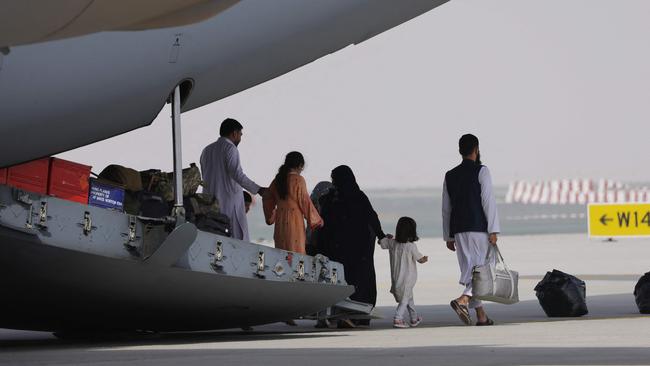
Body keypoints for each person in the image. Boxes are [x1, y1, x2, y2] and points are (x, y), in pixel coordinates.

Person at [442, 134, 500, 326]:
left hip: (459, 231)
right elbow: (488, 201)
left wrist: (448, 236)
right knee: (482, 271)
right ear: (476, 149)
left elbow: (446, 208)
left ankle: (481, 316)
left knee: (472, 272)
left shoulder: (450, 175)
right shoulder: (482, 171)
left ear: (460, 150)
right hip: (478, 229)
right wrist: (493, 229)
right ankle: (463, 300)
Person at [317, 165, 385, 328]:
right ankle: (357, 315)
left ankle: (341, 314)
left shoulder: (331, 199)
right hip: (358, 247)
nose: (333, 182)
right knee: (360, 280)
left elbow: (324, 224)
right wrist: (380, 235)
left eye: (334, 179)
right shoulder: (357, 196)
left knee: (342, 280)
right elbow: (371, 216)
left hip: (338, 248)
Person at [200, 118, 266, 242]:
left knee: (214, 238)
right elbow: (237, 174)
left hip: (209, 203)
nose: (240, 138)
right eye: (240, 134)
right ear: (234, 133)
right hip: (229, 203)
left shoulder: (206, 150)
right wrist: (258, 189)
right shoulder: (230, 148)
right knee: (235, 241)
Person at [263, 151, 323, 255]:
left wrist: (271, 216)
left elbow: (267, 197)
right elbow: (305, 202)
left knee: (281, 256)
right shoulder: (298, 180)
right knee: (296, 257)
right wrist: (317, 221)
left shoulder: (277, 179)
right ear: (300, 166)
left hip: (280, 223)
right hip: (294, 223)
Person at [379, 217, 428, 328]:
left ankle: (414, 318)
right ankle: (398, 318)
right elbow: (420, 260)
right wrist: (425, 258)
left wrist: (387, 237)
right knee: (405, 300)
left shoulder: (392, 243)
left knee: (409, 297)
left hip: (396, 278)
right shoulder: (411, 246)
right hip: (408, 278)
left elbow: (381, 243)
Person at [306, 181, 333, 256]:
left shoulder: (316, 192)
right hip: (320, 243)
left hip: (309, 241)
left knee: (305, 264)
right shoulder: (331, 200)